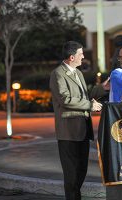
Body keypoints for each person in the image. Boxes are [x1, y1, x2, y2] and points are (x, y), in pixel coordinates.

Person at [49, 41, 106, 200]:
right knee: (71, 176)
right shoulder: (58, 74)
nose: (83, 57)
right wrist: (90, 106)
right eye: (81, 54)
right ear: (72, 56)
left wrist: (102, 88)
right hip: (68, 132)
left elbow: (84, 97)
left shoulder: (78, 73)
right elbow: (65, 99)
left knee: (81, 171)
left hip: (82, 130)